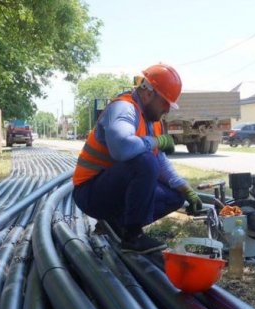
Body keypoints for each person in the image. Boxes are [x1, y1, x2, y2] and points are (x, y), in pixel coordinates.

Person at [72, 63, 203, 253]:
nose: (167, 110)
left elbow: (160, 161)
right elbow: (122, 148)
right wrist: (155, 142)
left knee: (175, 197)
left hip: (111, 190)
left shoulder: (151, 119)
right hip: (90, 193)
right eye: (165, 103)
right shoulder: (124, 109)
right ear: (149, 93)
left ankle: (116, 224)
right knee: (145, 161)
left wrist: (183, 187)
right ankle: (133, 236)